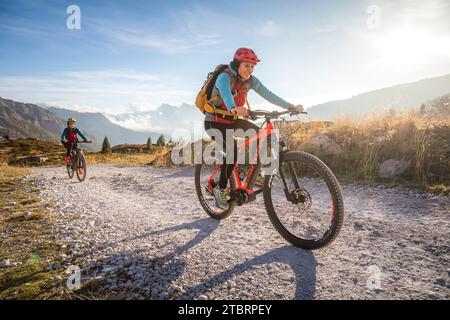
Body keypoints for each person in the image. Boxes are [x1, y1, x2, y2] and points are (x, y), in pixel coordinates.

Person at [204, 47, 304, 210]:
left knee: (261, 136)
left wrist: (290, 106)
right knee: (233, 151)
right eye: (246, 66)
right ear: (237, 65)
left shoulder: (251, 80)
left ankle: (257, 173)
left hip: (233, 121)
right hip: (214, 122)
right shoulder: (224, 77)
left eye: (252, 67)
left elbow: (268, 94)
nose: (250, 70)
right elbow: (226, 95)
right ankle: (220, 190)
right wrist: (233, 108)